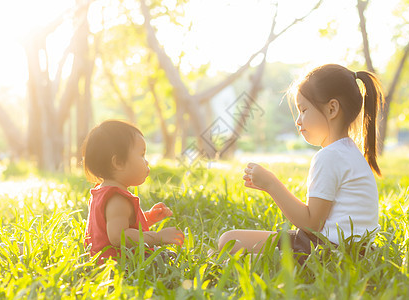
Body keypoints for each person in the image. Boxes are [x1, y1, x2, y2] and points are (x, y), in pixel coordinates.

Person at [218, 64, 383, 261]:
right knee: (228, 240)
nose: (298, 120)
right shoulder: (348, 152)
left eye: (303, 110)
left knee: (232, 250)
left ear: (332, 109)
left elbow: (312, 224)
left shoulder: (329, 157)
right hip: (342, 249)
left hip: (327, 252)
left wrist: (271, 184)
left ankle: (222, 261)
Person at [82, 120, 184, 263]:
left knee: (168, 256)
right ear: (118, 163)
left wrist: (149, 218)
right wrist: (158, 237)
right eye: (142, 155)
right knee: (169, 259)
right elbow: (120, 237)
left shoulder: (101, 191)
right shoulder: (117, 199)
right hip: (119, 262)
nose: (146, 162)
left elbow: (121, 224)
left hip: (104, 260)